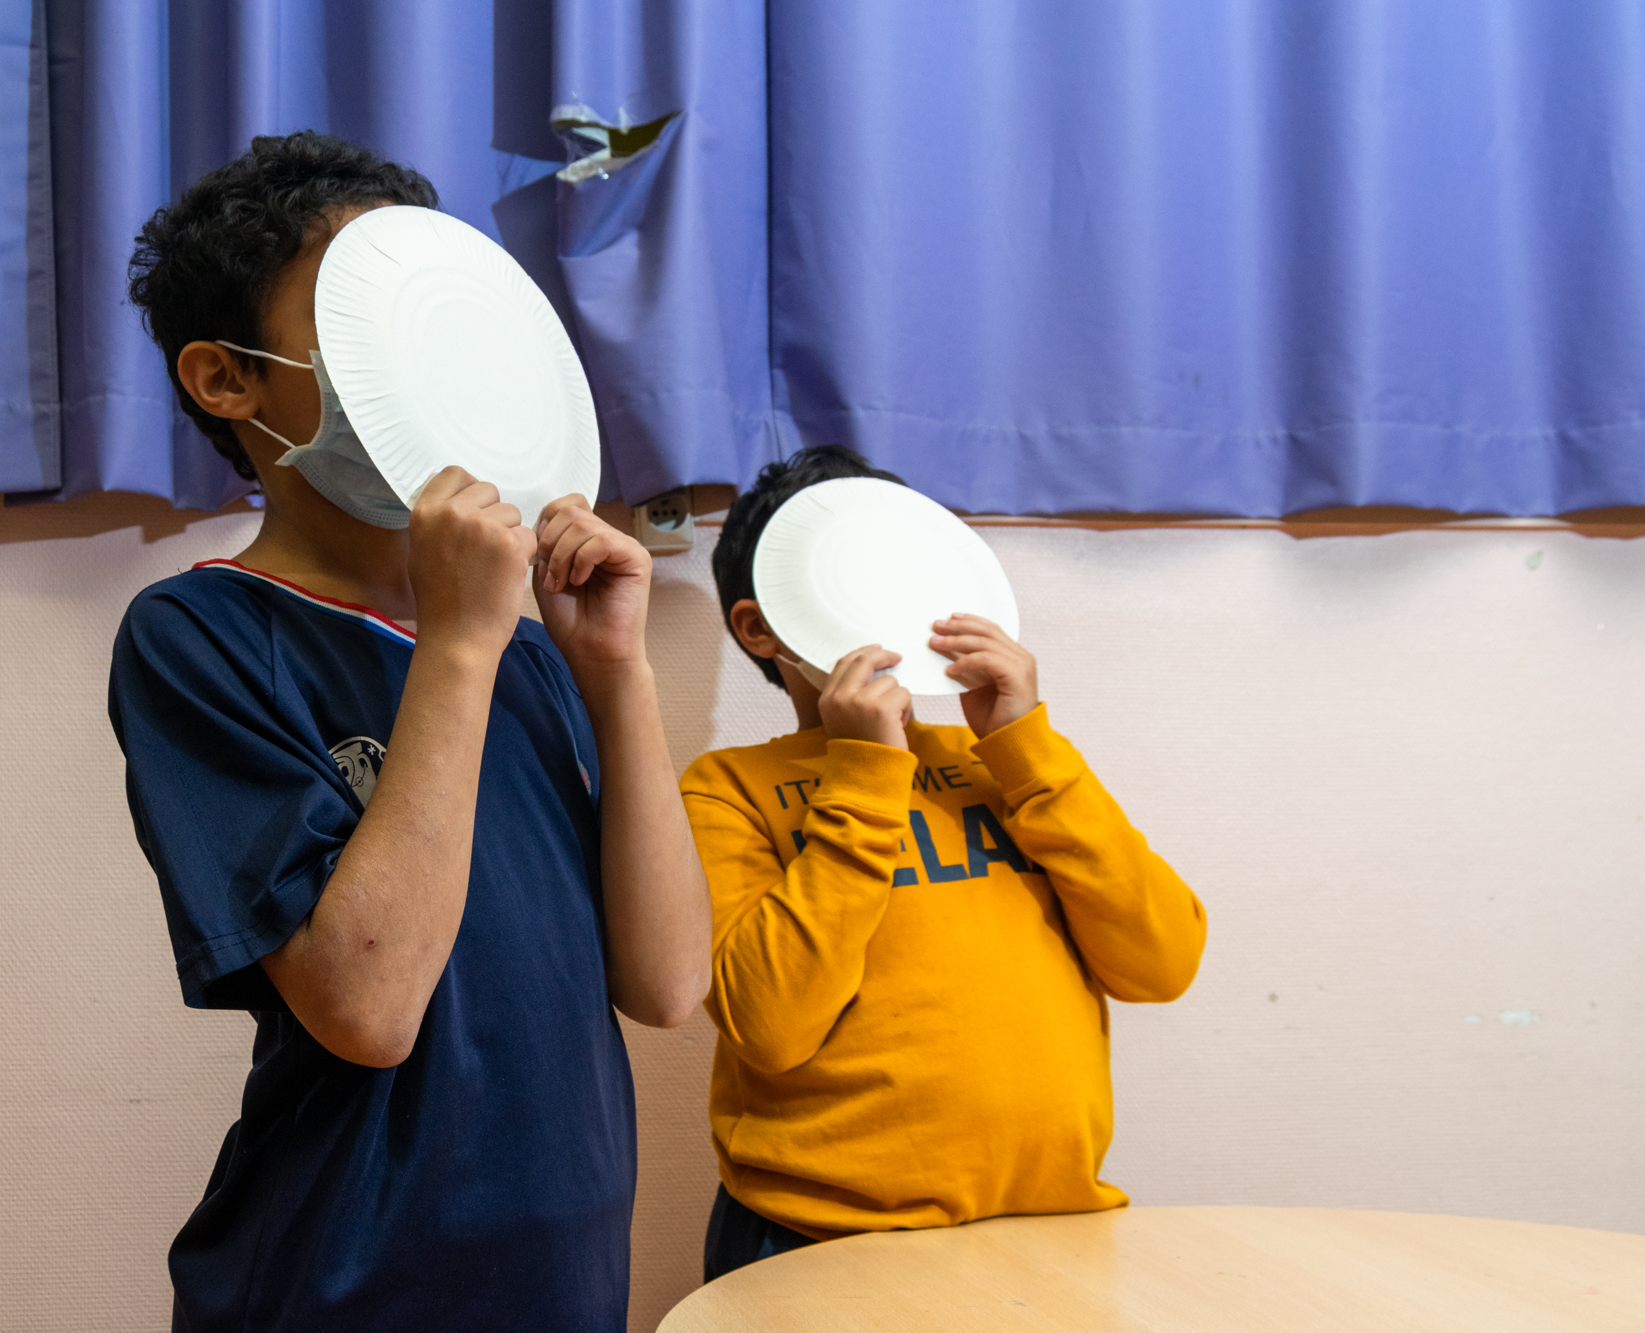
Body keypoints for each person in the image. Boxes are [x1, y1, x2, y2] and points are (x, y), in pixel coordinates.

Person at [109, 131, 712, 1331]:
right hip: (344, 1285)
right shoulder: (201, 634)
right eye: (360, 318)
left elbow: (667, 981)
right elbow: (368, 1009)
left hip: (562, 1278)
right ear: (226, 379)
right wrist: (460, 645)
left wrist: (614, 675)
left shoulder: (524, 654)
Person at [682, 445, 1208, 1279]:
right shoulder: (727, 788)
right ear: (758, 626)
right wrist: (863, 774)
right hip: (820, 1240)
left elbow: (1163, 961)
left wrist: (1024, 742)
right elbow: (771, 1025)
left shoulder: (1008, 762)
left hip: (1050, 1231)